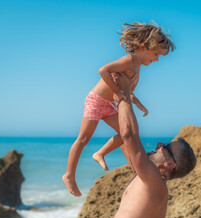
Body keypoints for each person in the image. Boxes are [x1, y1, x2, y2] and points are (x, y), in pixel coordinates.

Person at [62, 22, 175, 197]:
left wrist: (137, 103)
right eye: (155, 54)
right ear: (143, 47)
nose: (157, 59)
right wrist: (117, 92)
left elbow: (127, 90)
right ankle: (69, 175)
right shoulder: (129, 61)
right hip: (97, 100)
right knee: (83, 139)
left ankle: (100, 153)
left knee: (124, 134)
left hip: (109, 104)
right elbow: (103, 70)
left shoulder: (137, 67)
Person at [106, 73, 197, 218]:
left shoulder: (155, 184)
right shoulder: (144, 176)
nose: (159, 145)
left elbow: (129, 135)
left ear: (170, 164)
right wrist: (113, 95)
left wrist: (124, 93)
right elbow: (123, 135)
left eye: (166, 147)